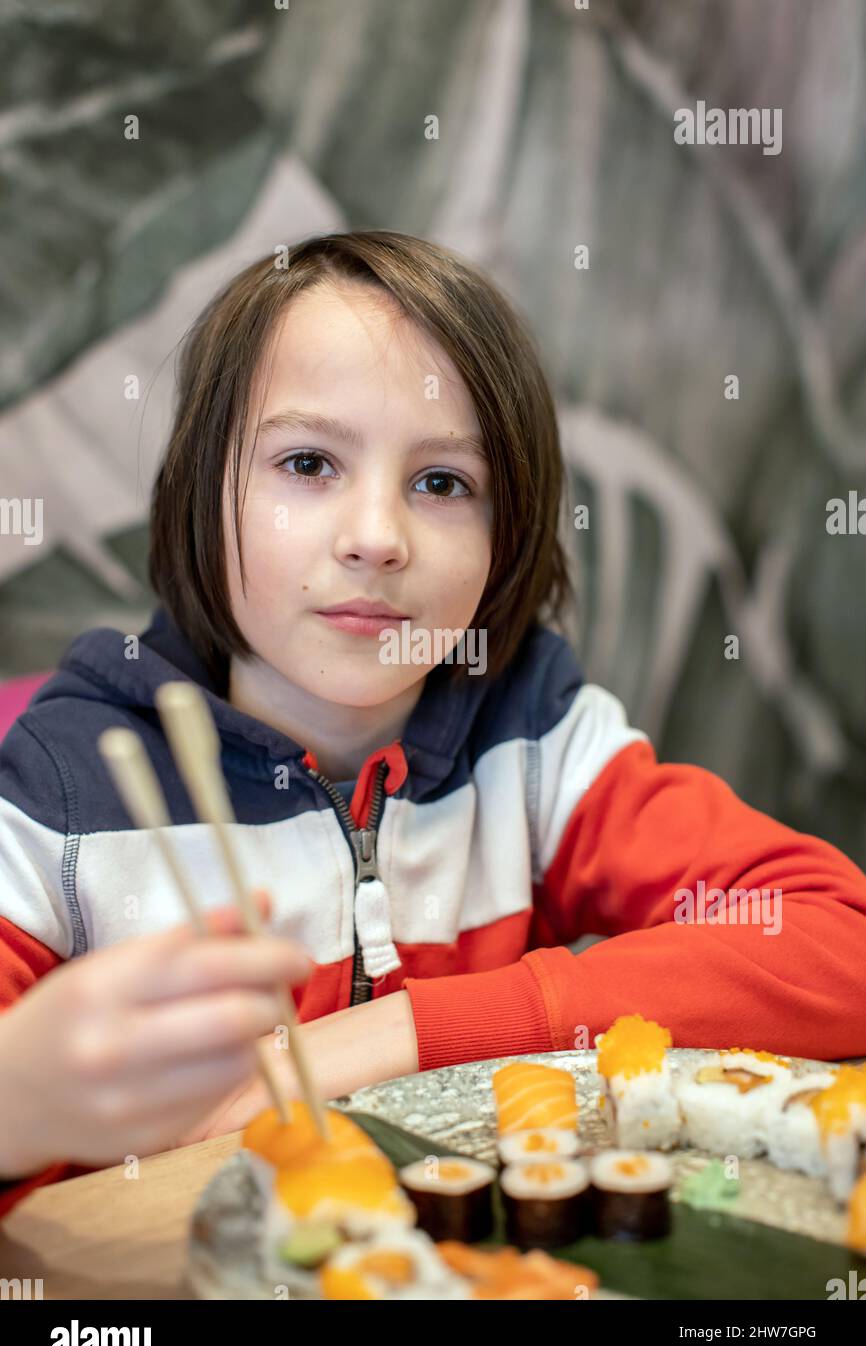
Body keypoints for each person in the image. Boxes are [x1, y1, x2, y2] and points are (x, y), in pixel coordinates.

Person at [2, 230, 865, 1218]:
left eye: (441, 483)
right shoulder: (61, 798)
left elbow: (836, 937)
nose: (374, 537)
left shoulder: (533, 741)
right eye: (307, 461)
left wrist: (400, 1033)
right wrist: (25, 1101)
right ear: (206, 490)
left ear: (506, 537)